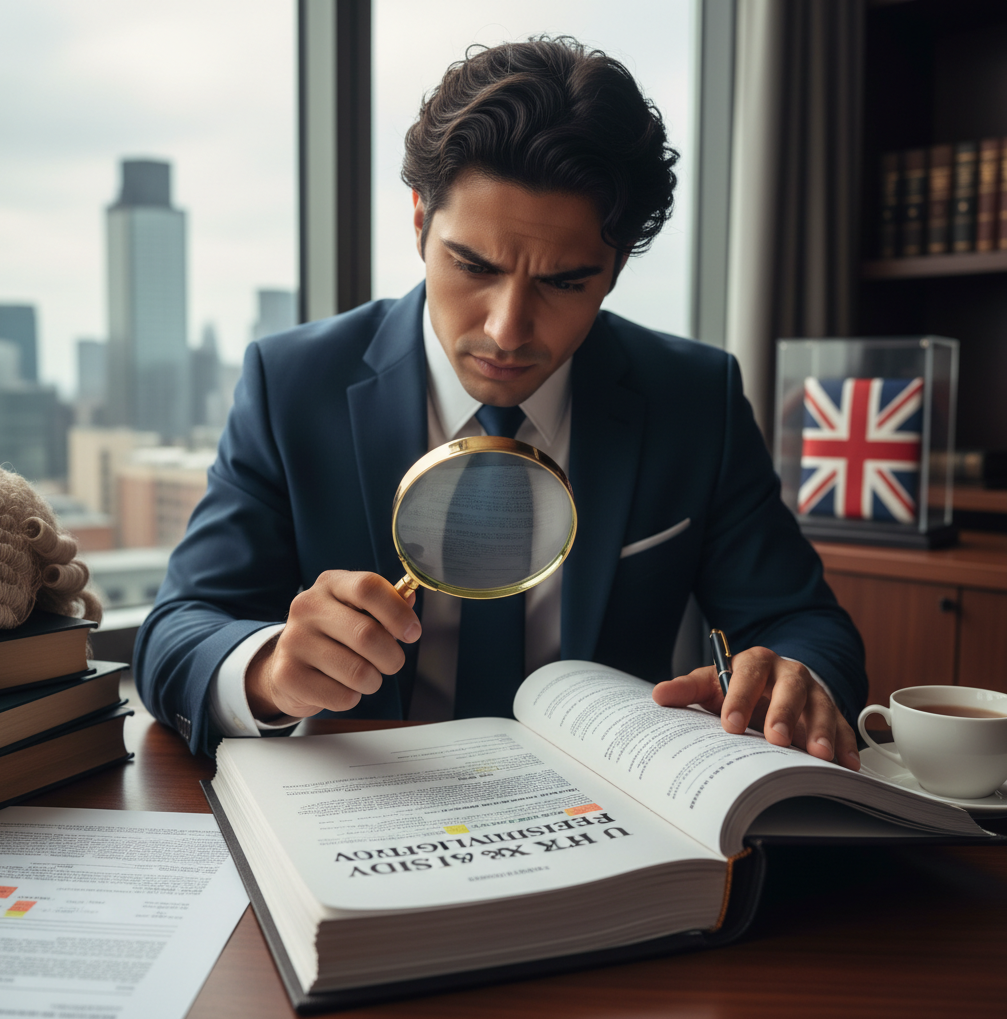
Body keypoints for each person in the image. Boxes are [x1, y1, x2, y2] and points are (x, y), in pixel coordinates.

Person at [135, 36, 866, 769]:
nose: (506, 329)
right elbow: (177, 633)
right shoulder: (293, 383)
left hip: (614, 820)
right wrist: (267, 671)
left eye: (565, 282)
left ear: (612, 271)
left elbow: (805, 625)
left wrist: (791, 679)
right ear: (420, 221)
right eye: (473, 266)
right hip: (366, 808)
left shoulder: (692, 398)